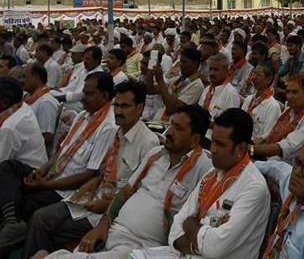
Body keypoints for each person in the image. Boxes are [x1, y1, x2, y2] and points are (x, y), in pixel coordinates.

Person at [35, 105, 213, 259]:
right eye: (172, 124)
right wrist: (103, 225)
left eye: (179, 128)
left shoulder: (203, 168)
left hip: (141, 244)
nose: (170, 132)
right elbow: (125, 192)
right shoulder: (156, 154)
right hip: (113, 229)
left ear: (195, 139)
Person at [21, 81, 160, 258]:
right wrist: (82, 193)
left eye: (125, 106)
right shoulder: (116, 133)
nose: (118, 111)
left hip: (111, 213)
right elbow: (101, 174)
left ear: (140, 108)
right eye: (116, 105)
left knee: (45, 224)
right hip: (91, 200)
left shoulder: (148, 143)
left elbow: (137, 193)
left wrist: (106, 205)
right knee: (40, 217)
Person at [0, 72, 117, 252]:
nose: (83, 98)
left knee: (21, 203)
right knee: (8, 167)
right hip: (52, 175)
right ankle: (12, 222)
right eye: (84, 92)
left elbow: (89, 175)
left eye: (88, 93)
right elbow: (60, 152)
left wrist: (45, 185)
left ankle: (15, 233)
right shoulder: (82, 116)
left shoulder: (108, 127)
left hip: (65, 189)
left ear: (104, 96)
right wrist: (41, 171)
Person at [132, 109, 271, 259]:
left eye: (220, 144)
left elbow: (214, 248)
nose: (213, 149)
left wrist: (190, 223)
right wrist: (198, 242)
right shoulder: (212, 173)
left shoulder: (254, 188)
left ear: (241, 148)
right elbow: (177, 226)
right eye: (213, 142)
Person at [253, 74, 304, 161]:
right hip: (275, 157)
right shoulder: (289, 110)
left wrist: (252, 149)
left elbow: (285, 147)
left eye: (294, 92)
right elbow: (271, 134)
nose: (289, 97)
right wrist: (255, 142)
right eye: (287, 92)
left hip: (295, 165)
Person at [0, 75, 47, 168]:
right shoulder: (20, 105)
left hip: (29, 175)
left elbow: (1, 160)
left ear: (4, 102)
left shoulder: (9, 127)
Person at [149, 48, 205, 123]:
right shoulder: (178, 79)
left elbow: (171, 108)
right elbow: (149, 90)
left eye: (184, 62)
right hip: (157, 121)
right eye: (181, 61)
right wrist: (150, 71)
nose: (181, 65)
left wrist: (160, 80)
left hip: (171, 127)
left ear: (195, 63)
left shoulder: (197, 85)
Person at [53, 46, 105, 113]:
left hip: (82, 106)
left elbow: (79, 95)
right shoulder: (85, 70)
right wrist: (58, 90)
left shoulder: (98, 75)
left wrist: (58, 97)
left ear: (96, 60)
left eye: (88, 59)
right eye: (84, 58)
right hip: (73, 101)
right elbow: (72, 86)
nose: (84, 61)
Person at [22, 63, 60, 149]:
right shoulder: (28, 97)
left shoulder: (46, 102)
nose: (22, 80)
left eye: (24, 77)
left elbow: (47, 137)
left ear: (36, 78)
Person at [198, 53, 240, 127]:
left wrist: (206, 123)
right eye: (210, 69)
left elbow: (230, 125)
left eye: (216, 69)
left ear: (226, 71)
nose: (211, 73)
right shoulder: (207, 90)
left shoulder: (230, 93)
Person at [241, 61, 281, 139]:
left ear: (269, 79)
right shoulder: (249, 99)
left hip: (255, 148)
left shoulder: (273, 107)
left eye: (258, 75)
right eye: (254, 73)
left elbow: (266, 137)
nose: (253, 78)